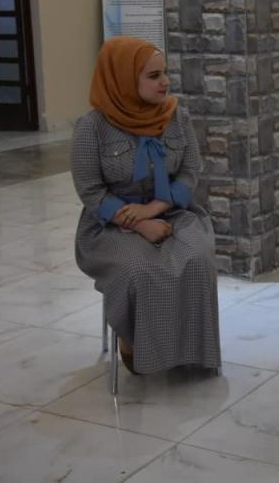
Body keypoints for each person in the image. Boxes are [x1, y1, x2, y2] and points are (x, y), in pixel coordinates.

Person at [71, 36, 221, 375]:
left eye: (164, 73)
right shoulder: (92, 128)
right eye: (153, 76)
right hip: (110, 225)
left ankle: (189, 351)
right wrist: (139, 223)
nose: (164, 82)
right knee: (139, 269)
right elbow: (91, 191)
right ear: (123, 80)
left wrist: (152, 211)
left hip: (172, 212)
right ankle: (133, 340)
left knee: (197, 260)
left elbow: (190, 172)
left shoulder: (177, 116)